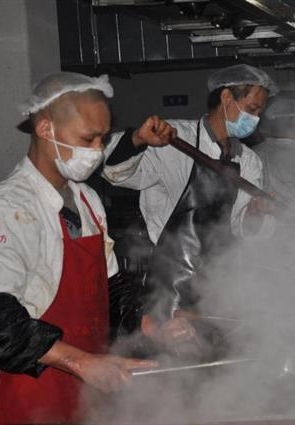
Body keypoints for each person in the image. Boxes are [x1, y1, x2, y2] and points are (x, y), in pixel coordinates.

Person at [0, 72, 156, 425]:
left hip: (86, 392)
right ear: (46, 128)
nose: (98, 151)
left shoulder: (87, 199)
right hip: (29, 393)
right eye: (88, 138)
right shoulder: (4, 210)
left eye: (103, 139)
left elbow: (109, 289)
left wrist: (150, 321)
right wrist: (80, 362)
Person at [102, 64, 278, 351]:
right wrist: (138, 140)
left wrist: (255, 215)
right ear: (226, 98)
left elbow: (241, 230)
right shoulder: (173, 140)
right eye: (252, 108)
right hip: (165, 287)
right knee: (171, 363)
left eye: (260, 112)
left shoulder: (248, 161)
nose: (256, 118)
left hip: (216, 285)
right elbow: (115, 173)